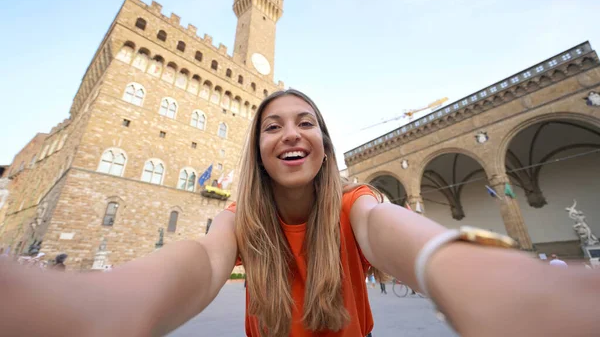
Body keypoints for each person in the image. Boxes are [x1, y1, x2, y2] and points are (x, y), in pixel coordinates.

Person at [0, 89, 599, 337]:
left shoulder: (353, 204)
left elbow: (412, 240)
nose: (291, 134)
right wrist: (97, 305)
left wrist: (515, 291)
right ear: (257, 148)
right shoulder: (238, 218)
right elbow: (200, 264)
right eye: (273, 125)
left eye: (306, 122)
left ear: (324, 143)